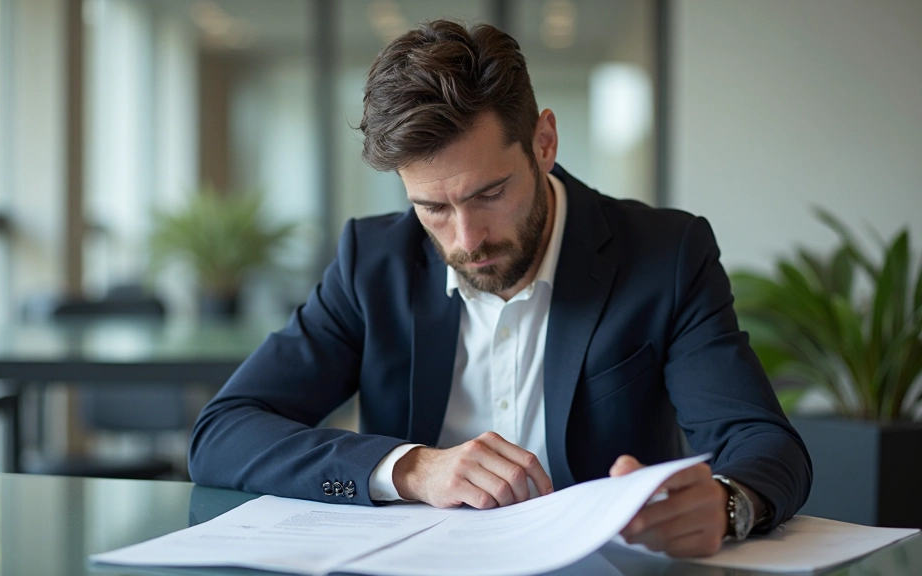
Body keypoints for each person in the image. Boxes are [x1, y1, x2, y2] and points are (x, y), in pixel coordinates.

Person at [189, 20, 811, 558]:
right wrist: (412, 468)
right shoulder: (370, 261)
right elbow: (223, 432)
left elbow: (762, 442)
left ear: (544, 142)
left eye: (489, 194)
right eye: (432, 207)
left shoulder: (665, 256)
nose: (466, 239)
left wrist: (729, 504)